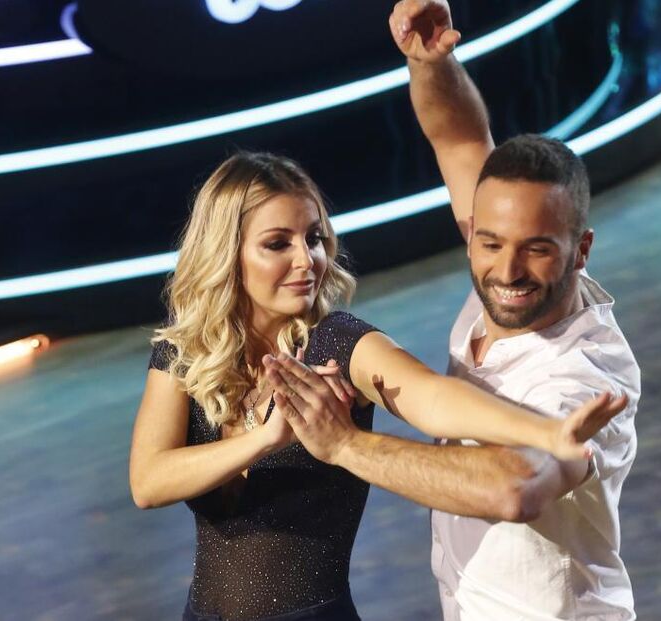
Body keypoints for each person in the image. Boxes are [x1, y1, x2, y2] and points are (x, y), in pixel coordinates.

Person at [262, 1, 641, 619]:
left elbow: (514, 487)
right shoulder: (499, 270)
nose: (509, 272)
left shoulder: (583, 374)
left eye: (537, 251)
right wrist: (430, 61)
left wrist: (344, 447)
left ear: (581, 251)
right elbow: (461, 138)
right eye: (489, 243)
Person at [129, 151, 627, 621]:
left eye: (315, 238)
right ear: (226, 253)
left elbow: (434, 398)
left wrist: (545, 432)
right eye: (278, 243)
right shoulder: (186, 350)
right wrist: (265, 438)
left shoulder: (339, 343)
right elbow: (148, 482)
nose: (307, 261)